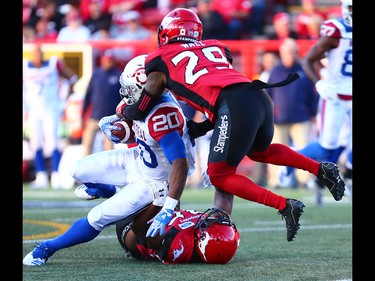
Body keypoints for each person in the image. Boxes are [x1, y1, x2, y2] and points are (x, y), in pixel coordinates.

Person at [121, 7, 346, 242]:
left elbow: (142, 108)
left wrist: (123, 111)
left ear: (165, 33)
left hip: (233, 105)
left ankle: (285, 205)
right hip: (258, 96)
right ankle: (321, 169)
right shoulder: (215, 46)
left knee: (219, 176)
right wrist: (205, 125)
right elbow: (220, 84)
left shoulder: (158, 59)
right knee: (260, 151)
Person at [22, 54, 196, 266]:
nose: (126, 91)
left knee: (97, 217)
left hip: (152, 183)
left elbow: (180, 163)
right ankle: (108, 190)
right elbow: (143, 133)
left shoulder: (162, 116)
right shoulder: (145, 102)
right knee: (76, 170)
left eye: (131, 87)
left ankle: (46, 248)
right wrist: (117, 128)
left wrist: (169, 206)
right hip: (138, 159)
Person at [283, 0, 352, 205]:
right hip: (335, 96)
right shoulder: (336, 31)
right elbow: (308, 59)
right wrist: (320, 82)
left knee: (344, 147)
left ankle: (343, 175)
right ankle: (288, 160)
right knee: (327, 149)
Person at [23, 43, 78, 189]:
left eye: (39, 53)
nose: (37, 56)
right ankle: (41, 175)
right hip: (34, 110)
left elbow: (72, 78)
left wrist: (64, 99)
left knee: (53, 141)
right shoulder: (25, 67)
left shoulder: (54, 63)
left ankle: (55, 175)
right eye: (35, 53)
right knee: (36, 142)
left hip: (50, 109)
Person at [266, 38, 319, 189]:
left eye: (294, 51)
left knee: (303, 150)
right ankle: (276, 180)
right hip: (278, 119)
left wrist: (313, 113)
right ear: (282, 53)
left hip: (301, 118)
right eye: (289, 52)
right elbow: (267, 93)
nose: (292, 54)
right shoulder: (275, 71)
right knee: (275, 151)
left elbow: (314, 93)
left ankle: (305, 180)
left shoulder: (304, 69)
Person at [116, 206, 240, 264]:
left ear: (203, 241)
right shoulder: (198, 237)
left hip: (129, 228)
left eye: (208, 225)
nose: (209, 219)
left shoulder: (176, 245)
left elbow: (139, 228)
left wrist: (159, 203)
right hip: (165, 216)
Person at [81, 49, 123, 157]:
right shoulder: (96, 74)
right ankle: (86, 167)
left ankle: (108, 171)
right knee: (87, 146)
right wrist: (83, 114)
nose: (108, 62)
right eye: (106, 60)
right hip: (95, 117)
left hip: (110, 119)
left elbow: (122, 98)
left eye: (110, 60)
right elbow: (88, 95)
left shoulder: (118, 75)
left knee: (109, 150)